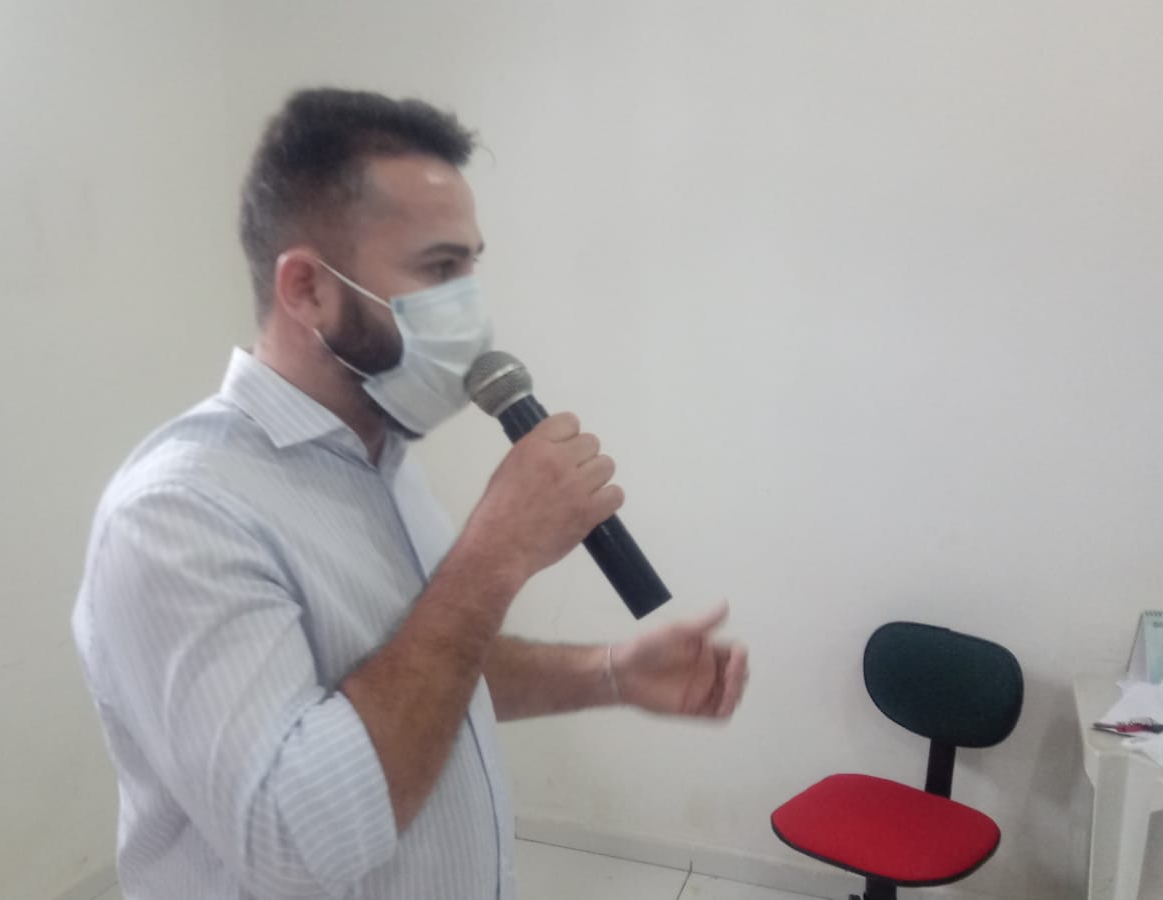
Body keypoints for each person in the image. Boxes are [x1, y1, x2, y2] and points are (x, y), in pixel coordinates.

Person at [72, 87, 749, 900]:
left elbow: (425, 670)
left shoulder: (381, 457)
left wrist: (612, 673)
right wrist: (495, 553)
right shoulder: (177, 515)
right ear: (307, 289)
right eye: (439, 269)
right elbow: (294, 845)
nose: (472, 307)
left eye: (471, 266)